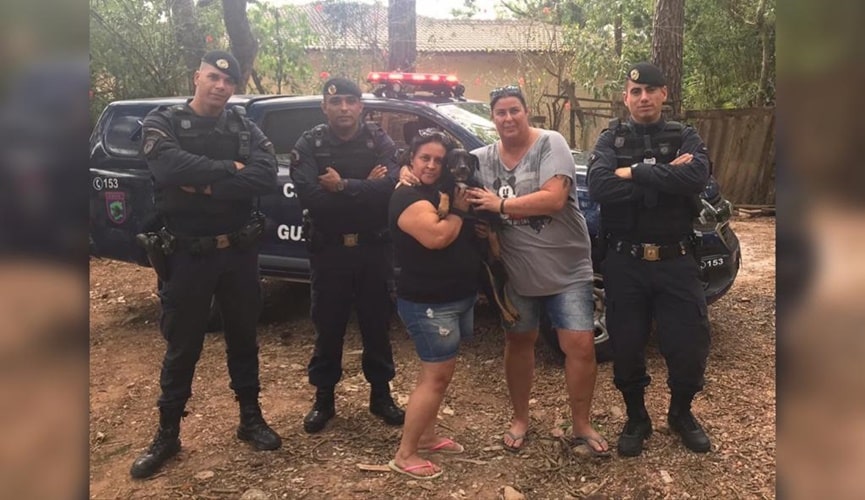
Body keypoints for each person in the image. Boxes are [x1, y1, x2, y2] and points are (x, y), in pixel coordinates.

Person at [130, 50, 281, 479]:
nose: (220, 86)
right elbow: (165, 167)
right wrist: (227, 170)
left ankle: (250, 419)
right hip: (186, 255)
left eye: (228, 81)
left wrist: (204, 186)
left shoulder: (244, 128)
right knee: (182, 346)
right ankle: (167, 435)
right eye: (213, 77)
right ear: (197, 77)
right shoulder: (164, 122)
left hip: (238, 253)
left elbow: (265, 176)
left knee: (244, 338)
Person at [466, 85, 609, 456]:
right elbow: (436, 168)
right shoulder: (479, 159)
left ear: (526, 112)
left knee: (578, 345)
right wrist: (407, 173)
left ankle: (581, 423)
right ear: (492, 118)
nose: (508, 118)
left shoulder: (550, 143)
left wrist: (498, 205)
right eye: (501, 112)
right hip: (517, 273)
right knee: (519, 341)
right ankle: (520, 418)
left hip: (568, 268)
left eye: (515, 110)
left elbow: (554, 198)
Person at [586, 62, 712, 456]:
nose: (643, 98)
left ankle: (680, 413)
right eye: (635, 92)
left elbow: (696, 179)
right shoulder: (611, 138)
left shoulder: (685, 136)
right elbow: (600, 186)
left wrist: (634, 173)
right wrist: (660, 176)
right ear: (626, 97)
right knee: (626, 347)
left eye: (650, 91)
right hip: (626, 263)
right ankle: (637, 417)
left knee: (689, 347)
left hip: (676, 261)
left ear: (663, 95)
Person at [290, 77, 405, 434]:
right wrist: (366, 186)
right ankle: (324, 398)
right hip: (330, 251)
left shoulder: (377, 139)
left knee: (377, 323)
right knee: (328, 325)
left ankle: (381, 395)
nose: (343, 108)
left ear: (361, 106)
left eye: (350, 101)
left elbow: (392, 187)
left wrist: (343, 185)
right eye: (336, 101)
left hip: (374, 249)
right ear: (324, 107)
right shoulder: (310, 143)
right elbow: (310, 197)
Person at [387, 131, 480, 480]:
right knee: (435, 377)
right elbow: (437, 237)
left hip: (454, 295)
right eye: (424, 157)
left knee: (440, 374)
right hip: (428, 301)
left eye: (437, 160)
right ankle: (405, 453)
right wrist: (459, 211)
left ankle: (426, 436)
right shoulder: (405, 196)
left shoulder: (438, 187)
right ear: (410, 159)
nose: (431, 165)